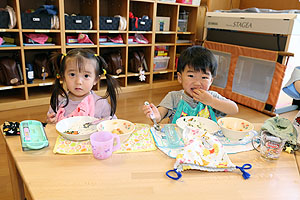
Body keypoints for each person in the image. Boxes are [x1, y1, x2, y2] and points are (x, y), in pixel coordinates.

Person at [143, 46, 239, 124]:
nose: (197, 83)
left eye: (204, 77)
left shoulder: (212, 97)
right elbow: (159, 115)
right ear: (180, 78)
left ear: (211, 81)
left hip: (204, 142)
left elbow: (234, 109)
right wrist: (155, 115)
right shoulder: (174, 97)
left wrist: (212, 101)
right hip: (180, 141)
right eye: (191, 75)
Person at [46, 48, 120, 124]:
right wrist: (50, 121)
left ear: (96, 79)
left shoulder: (100, 103)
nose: (78, 82)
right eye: (72, 74)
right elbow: (50, 121)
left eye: (86, 76)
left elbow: (113, 124)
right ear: (63, 77)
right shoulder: (58, 101)